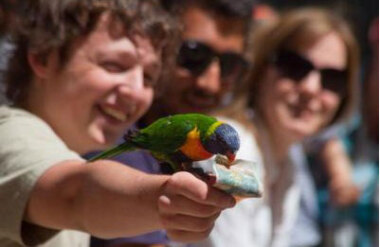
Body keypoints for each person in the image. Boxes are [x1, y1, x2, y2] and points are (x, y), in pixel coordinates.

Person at [0, 1, 237, 247]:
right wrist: (164, 199)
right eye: (114, 65)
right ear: (43, 57)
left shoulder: (70, 154)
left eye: (148, 78)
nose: (136, 91)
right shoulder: (11, 136)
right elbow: (76, 193)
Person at [90, 0, 256, 246]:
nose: (209, 83)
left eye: (230, 65)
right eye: (193, 55)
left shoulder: (209, 145)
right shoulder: (109, 139)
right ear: (157, 44)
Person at [191, 7, 359, 247]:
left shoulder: (287, 161)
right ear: (261, 70)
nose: (311, 88)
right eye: (295, 67)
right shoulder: (233, 149)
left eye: (332, 79)